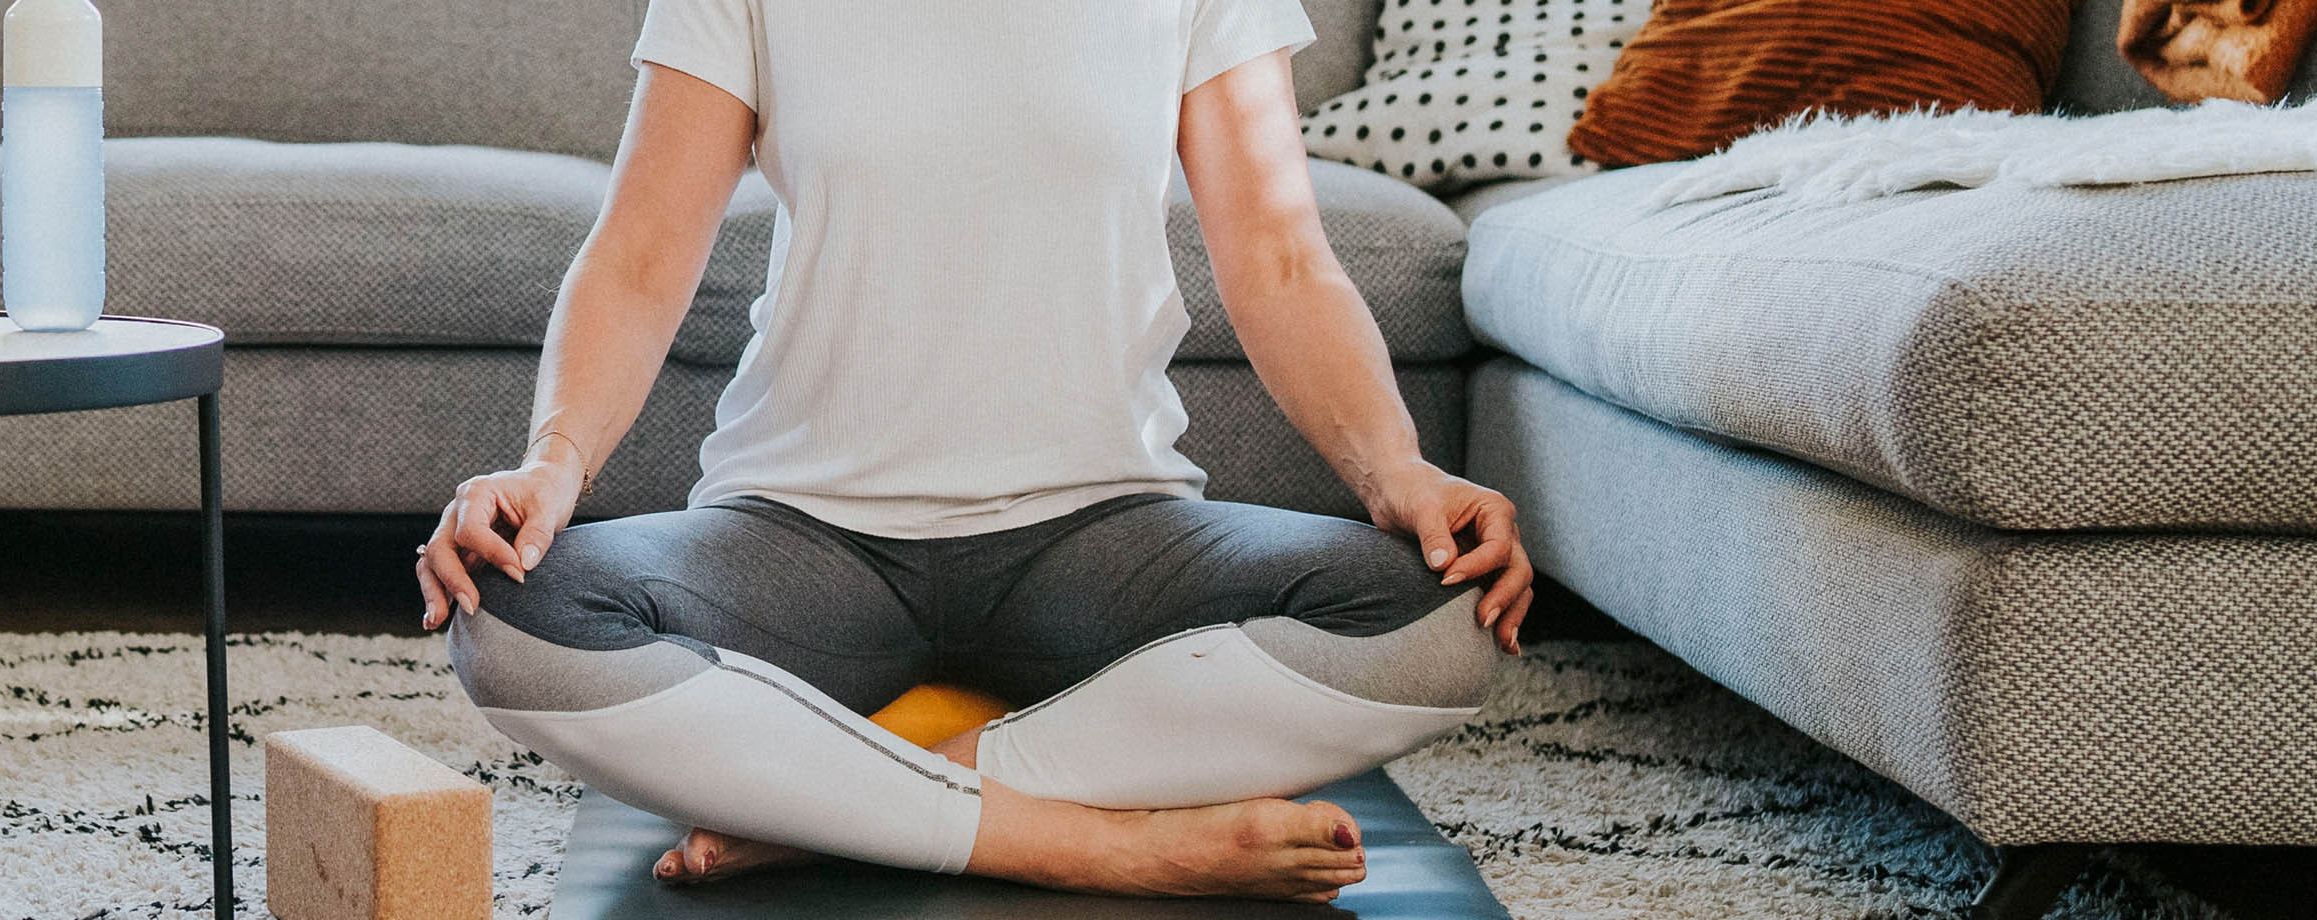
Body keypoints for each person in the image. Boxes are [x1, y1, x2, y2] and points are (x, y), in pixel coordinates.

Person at [414, 0, 1540, 903]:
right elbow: (644, 250)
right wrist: (552, 462)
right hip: (802, 534)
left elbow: (1284, 258)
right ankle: (1096, 845)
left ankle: (842, 811)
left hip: (1105, 531)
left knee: (1446, 616)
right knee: (515, 620)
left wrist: (1399, 470)